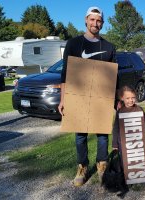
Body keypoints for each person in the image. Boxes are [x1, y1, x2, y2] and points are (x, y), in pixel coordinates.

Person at [58, 6, 116, 187]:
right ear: (85, 20)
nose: (95, 23)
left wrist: (116, 100)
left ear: (102, 23)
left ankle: (102, 165)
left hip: (101, 98)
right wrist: (63, 99)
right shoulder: (73, 44)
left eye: (98, 21)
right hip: (79, 96)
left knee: (102, 134)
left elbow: (114, 77)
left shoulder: (109, 47)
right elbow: (66, 74)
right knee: (80, 135)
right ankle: (82, 166)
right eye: (92, 20)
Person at [112, 85, 145, 155]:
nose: (131, 100)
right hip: (124, 142)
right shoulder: (120, 112)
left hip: (138, 139)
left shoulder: (139, 109)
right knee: (126, 159)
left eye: (133, 98)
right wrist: (115, 144)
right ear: (122, 98)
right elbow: (116, 128)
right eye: (127, 98)